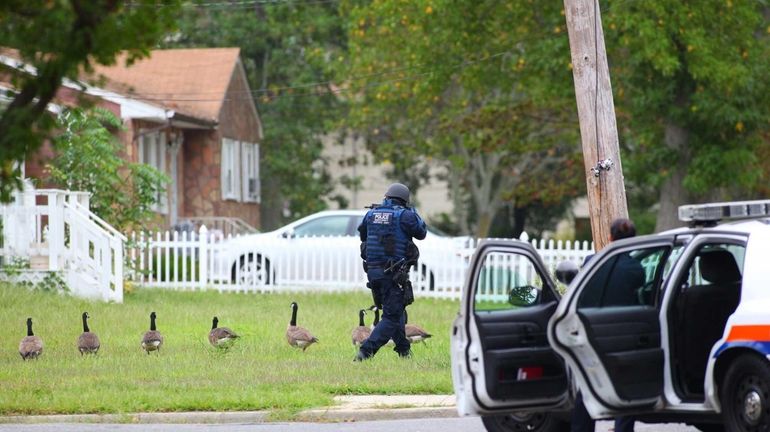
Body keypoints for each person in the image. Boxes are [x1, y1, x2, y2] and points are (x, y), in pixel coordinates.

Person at [571, 217, 639, 432]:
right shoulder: (637, 268)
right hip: (627, 337)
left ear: (610, 237)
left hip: (594, 335)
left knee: (588, 386)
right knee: (626, 389)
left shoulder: (592, 262)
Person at [354, 182, 427, 361]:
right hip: (393, 274)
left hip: (373, 273)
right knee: (391, 316)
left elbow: (363, 234)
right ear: (404, 201)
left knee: (396, 311)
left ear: (386, 197)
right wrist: (413, 211)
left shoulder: (371, 214)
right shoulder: (405, 216)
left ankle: (404, 352)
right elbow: (421, 232)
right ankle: (365, 353)